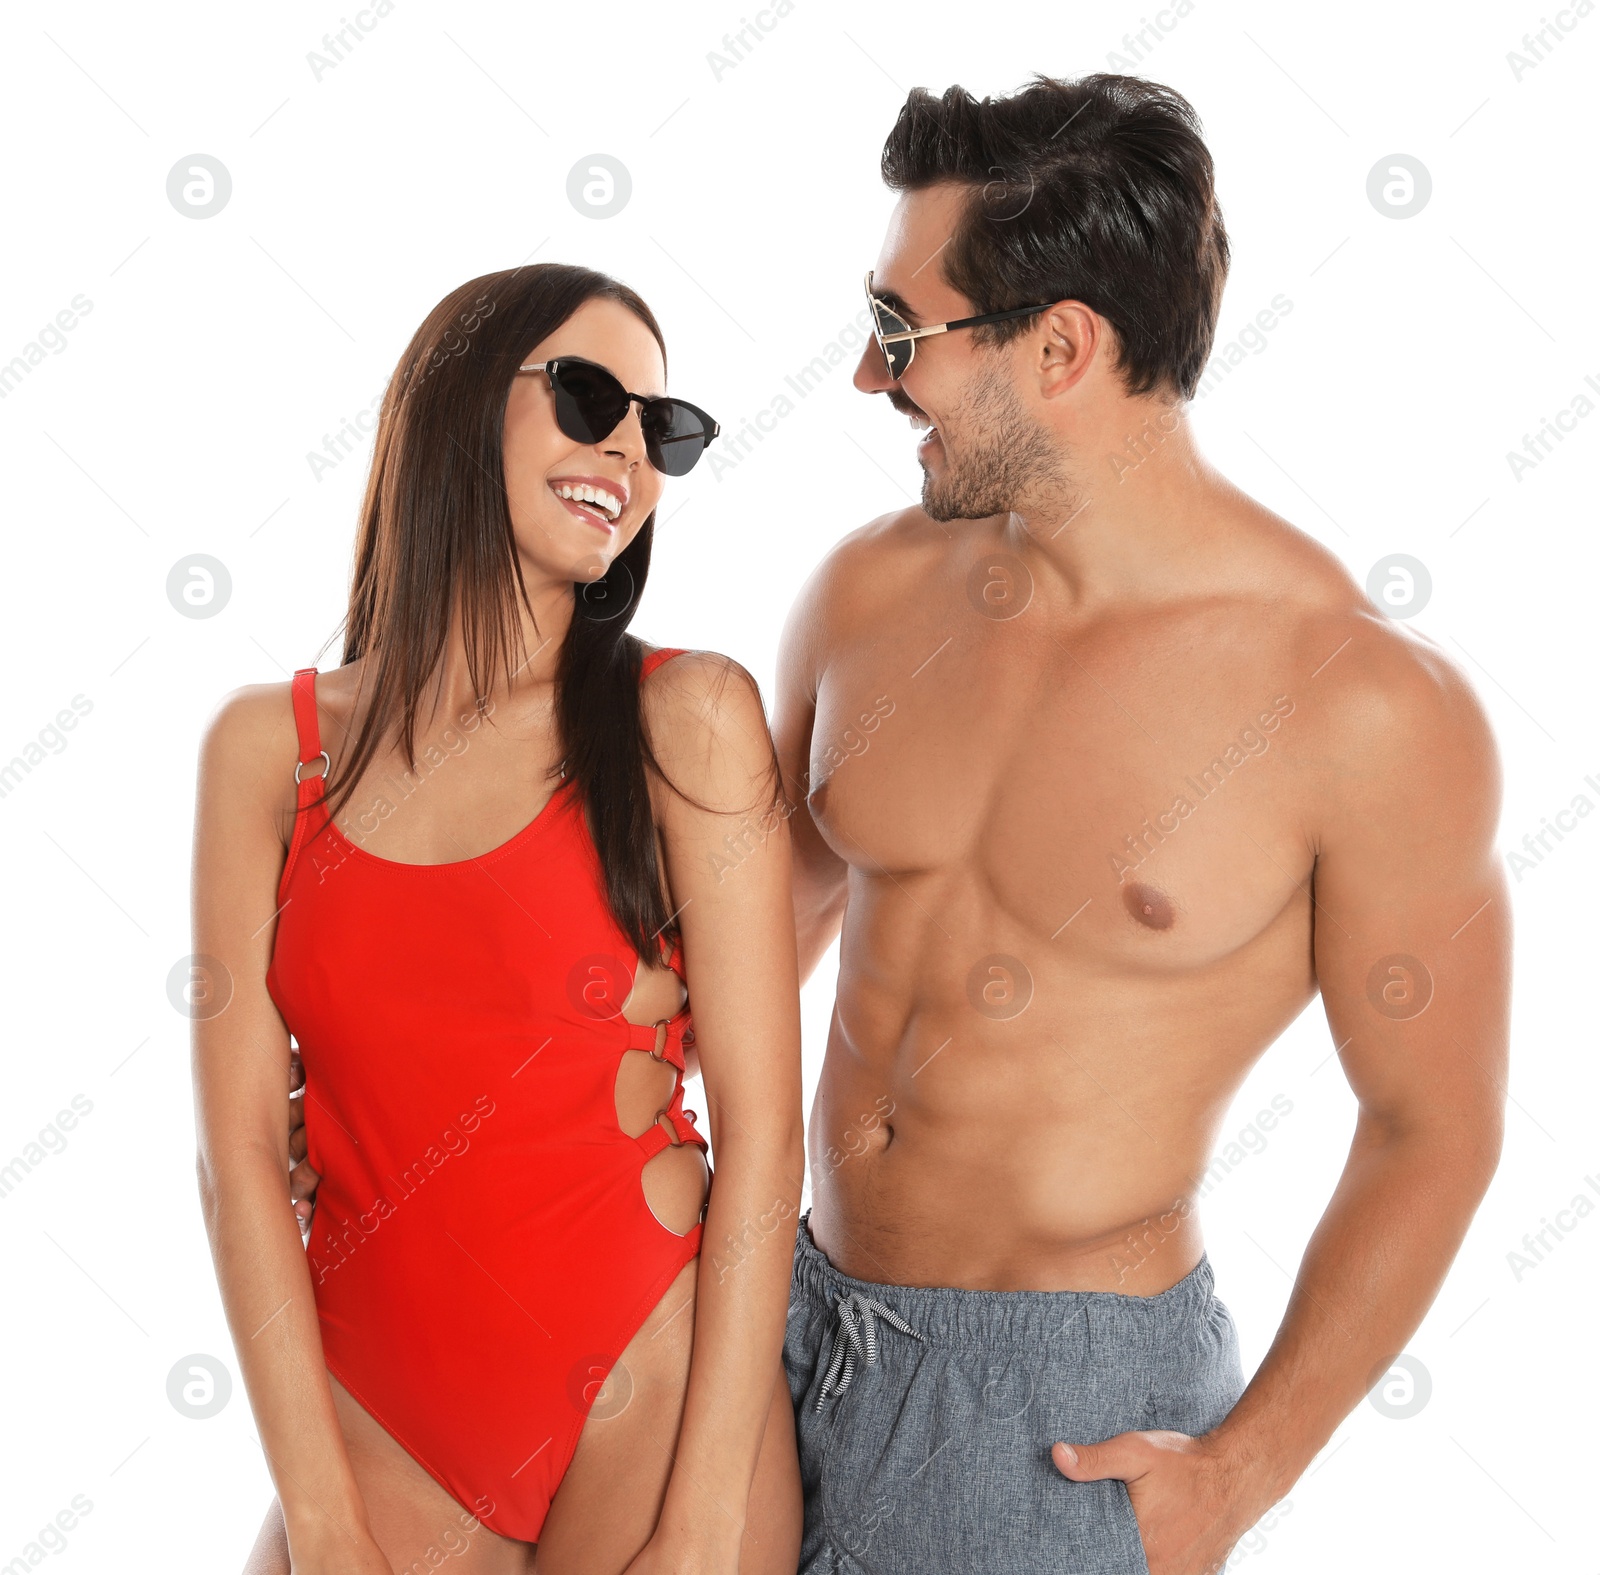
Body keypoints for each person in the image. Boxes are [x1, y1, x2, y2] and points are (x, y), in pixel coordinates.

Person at [771, 74, 1509, 1574]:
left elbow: (1437, 1130)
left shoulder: (1360, 702)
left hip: (1057, 1423)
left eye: (902, 334)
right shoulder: (863, 595)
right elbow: (738, 949)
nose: (864, 376)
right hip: (782, 1325)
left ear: (1060, 346)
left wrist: (1242, 1474)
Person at [191, 263, 806, 1575]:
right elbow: (241, 1153)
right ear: (459, 404)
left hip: (650, 1386)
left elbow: (765, 1140)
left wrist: (706, 1522)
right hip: (378, 1409)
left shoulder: (685, 720)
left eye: (665, 428)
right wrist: (318, 1519)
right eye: (591, 399)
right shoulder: (270, 752)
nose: (629, 453)